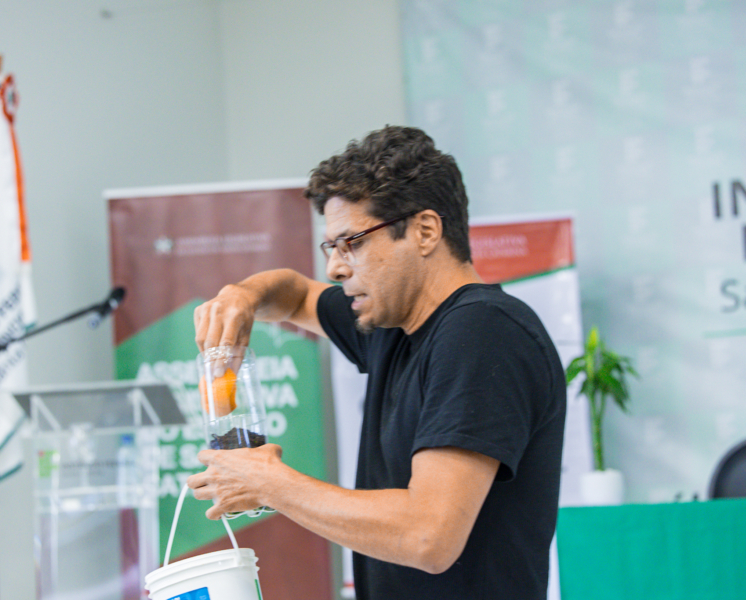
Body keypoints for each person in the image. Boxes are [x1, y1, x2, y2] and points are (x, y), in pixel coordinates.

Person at [187, 125, 566, 600]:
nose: (335, 268)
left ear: (425, 231)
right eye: (332, 247)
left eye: (354, 242)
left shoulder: (483, 332)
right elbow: (295, 295)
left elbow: (428, 536)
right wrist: (242, 296)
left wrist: (270, 483)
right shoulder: (393, 325)